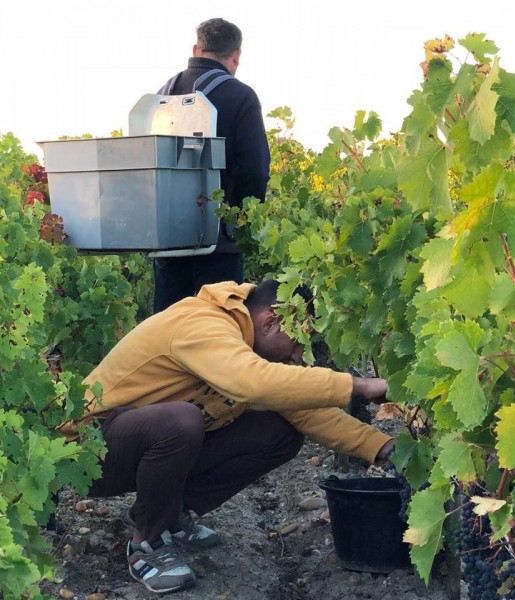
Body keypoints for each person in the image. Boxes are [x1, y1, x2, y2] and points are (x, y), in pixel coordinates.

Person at [58, 280, 395, 594]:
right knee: (182, 421)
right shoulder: (202, 324)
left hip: (143, 446)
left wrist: (384, 447)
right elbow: (252, 382)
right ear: (270, 321)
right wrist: (358, 387)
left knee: (278, 433)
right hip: (91, 453)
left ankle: (167, 512)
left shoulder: (243, 336)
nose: (297, 357)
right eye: (297, 343)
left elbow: (306, 411)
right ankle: (146, 544)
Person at [152, 18, 271, 313]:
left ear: (196, 48)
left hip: (168, 241)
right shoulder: (241, 96)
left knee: (170, 335)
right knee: (219, 336)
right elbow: (254, 170)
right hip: (219, 244)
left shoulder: (161, 95)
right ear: (236, 56)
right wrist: (243, 220)